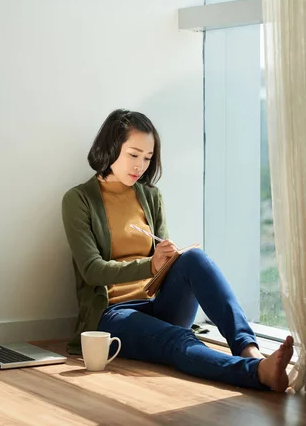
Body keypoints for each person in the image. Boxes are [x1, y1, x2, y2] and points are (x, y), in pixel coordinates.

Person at [62, 109, 293, 392]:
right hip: (113, 314)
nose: (140, 166)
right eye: (133, 155)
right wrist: (150, 265)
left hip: (157, 304)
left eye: (147, 158)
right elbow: (91, 270)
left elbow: (163, 264)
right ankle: (256, 373)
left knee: (194, 258)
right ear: (111, 147)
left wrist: (168, 260)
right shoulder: (78, 200)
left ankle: (249, 350)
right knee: (180, 340)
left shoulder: (150, 196)